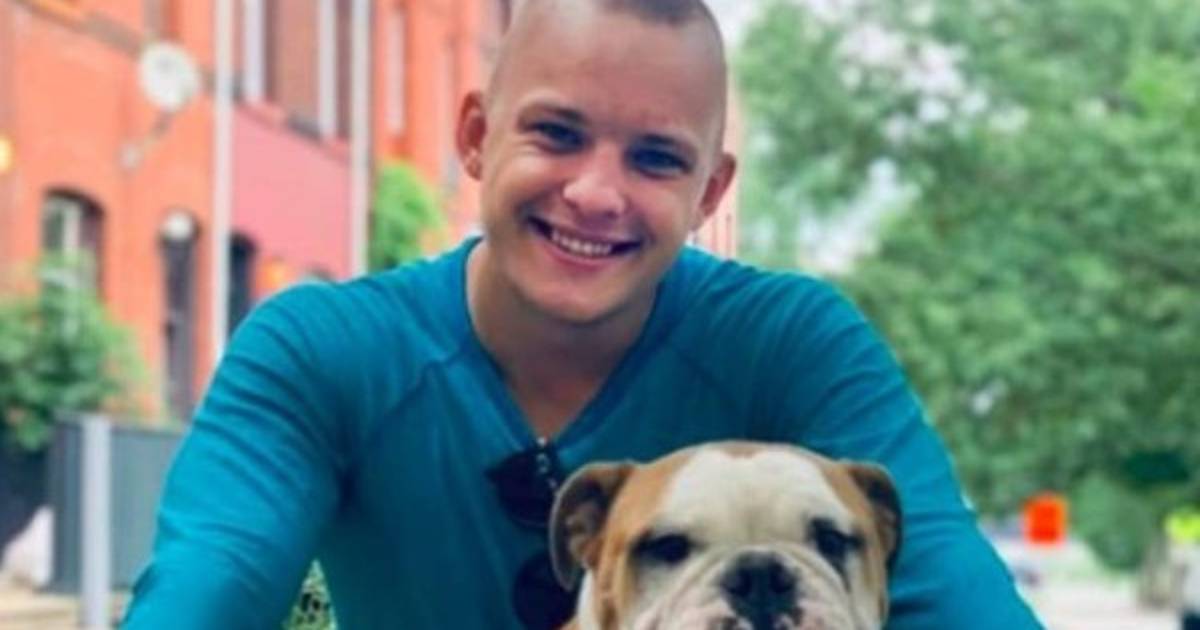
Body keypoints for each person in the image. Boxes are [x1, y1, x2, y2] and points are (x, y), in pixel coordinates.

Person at [123, 0, 1042, 628]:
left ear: (710, 190)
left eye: (656, 159)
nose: (597, 193)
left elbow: (958, 599)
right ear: (477, 137)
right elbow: (204, 594)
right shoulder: (320, 353)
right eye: (557, 134)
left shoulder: (792, 343)